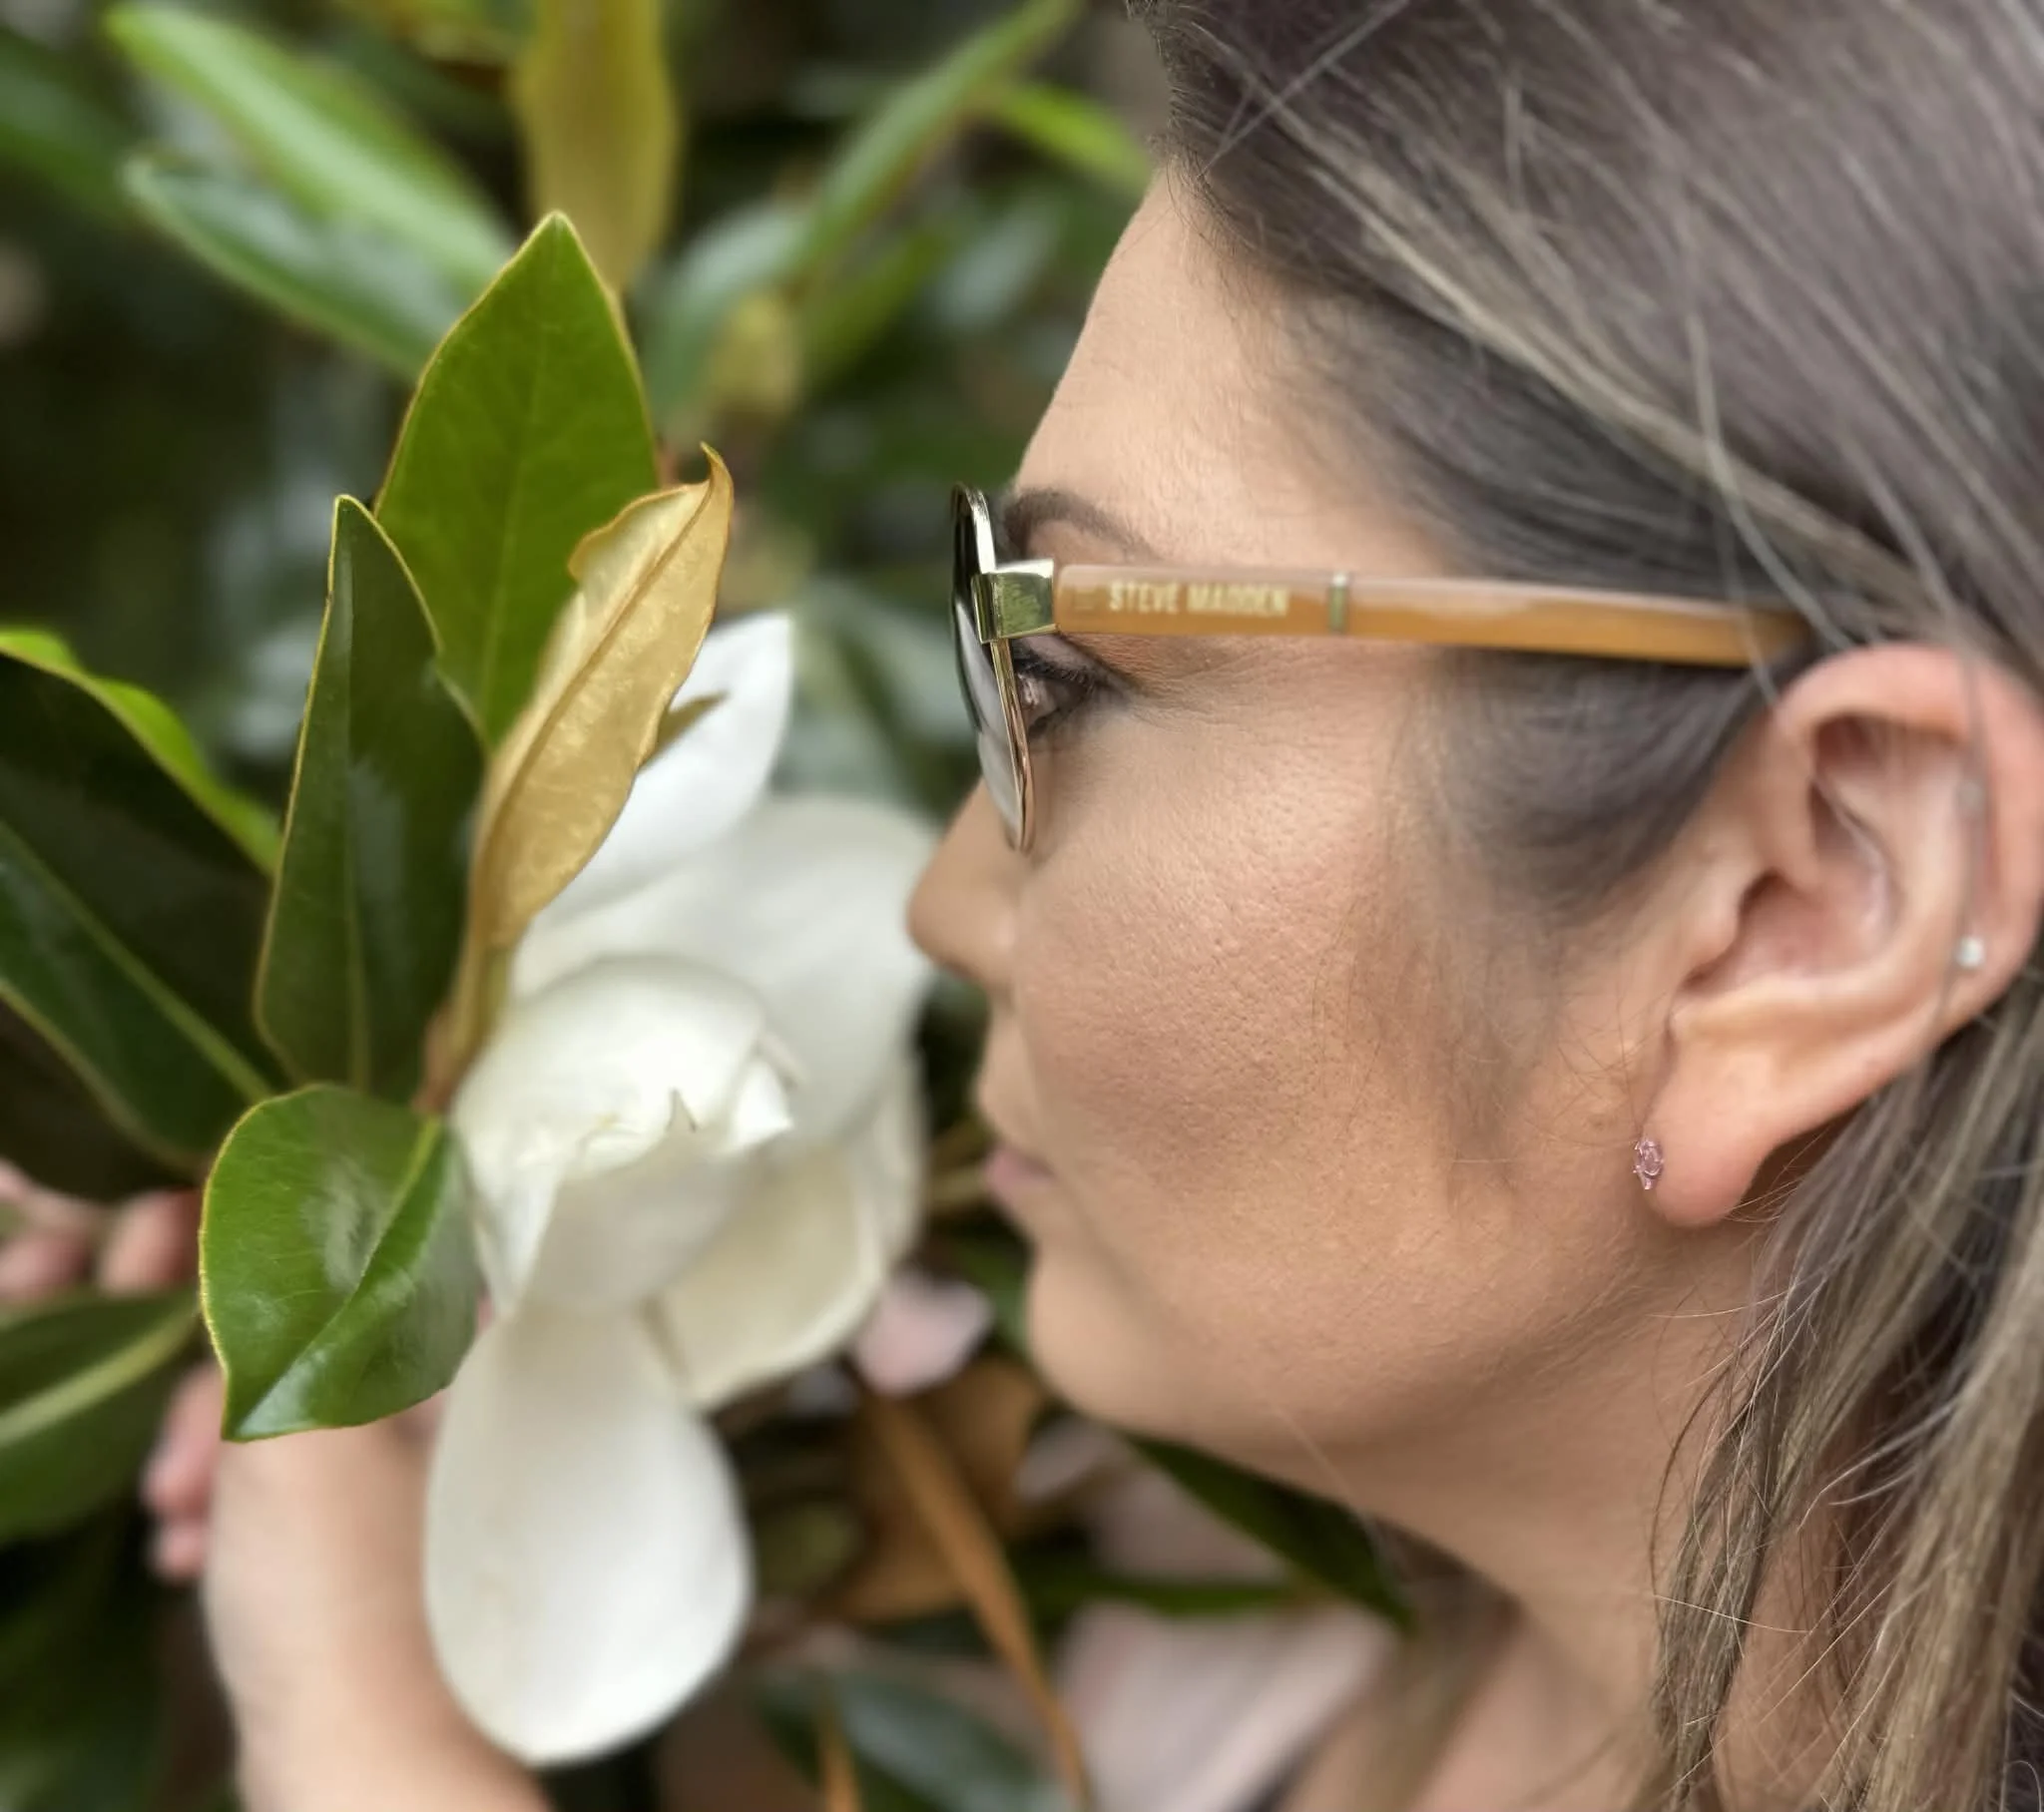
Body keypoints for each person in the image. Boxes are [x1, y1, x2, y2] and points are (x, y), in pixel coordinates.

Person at [15, 0, 2044, 1804]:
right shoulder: (1133, 1611)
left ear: (1804, 903)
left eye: (1066, 677)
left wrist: (372, 1740)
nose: (938, 900)